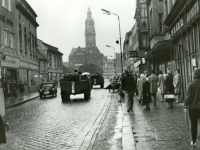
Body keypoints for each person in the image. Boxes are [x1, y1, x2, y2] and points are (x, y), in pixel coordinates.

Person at [184, 69, 200, 147]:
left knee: (194, 125)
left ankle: (194, 141)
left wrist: (185, 106)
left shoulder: (191, 84)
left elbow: (188, 97)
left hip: (193, 108)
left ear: (194, 75)